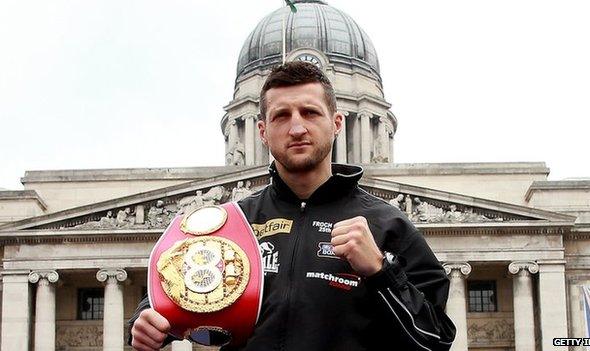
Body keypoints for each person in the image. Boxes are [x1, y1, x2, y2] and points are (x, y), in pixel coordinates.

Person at [128, 61, 456, 350]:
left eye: (310, 112)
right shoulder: (233, 223)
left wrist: (382, 272)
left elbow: (436, 339)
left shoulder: (388, 225)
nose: (297, 128)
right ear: (262, 131)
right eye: (281, 116)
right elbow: (173, 289)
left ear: (337, 123)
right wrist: (147, 320)